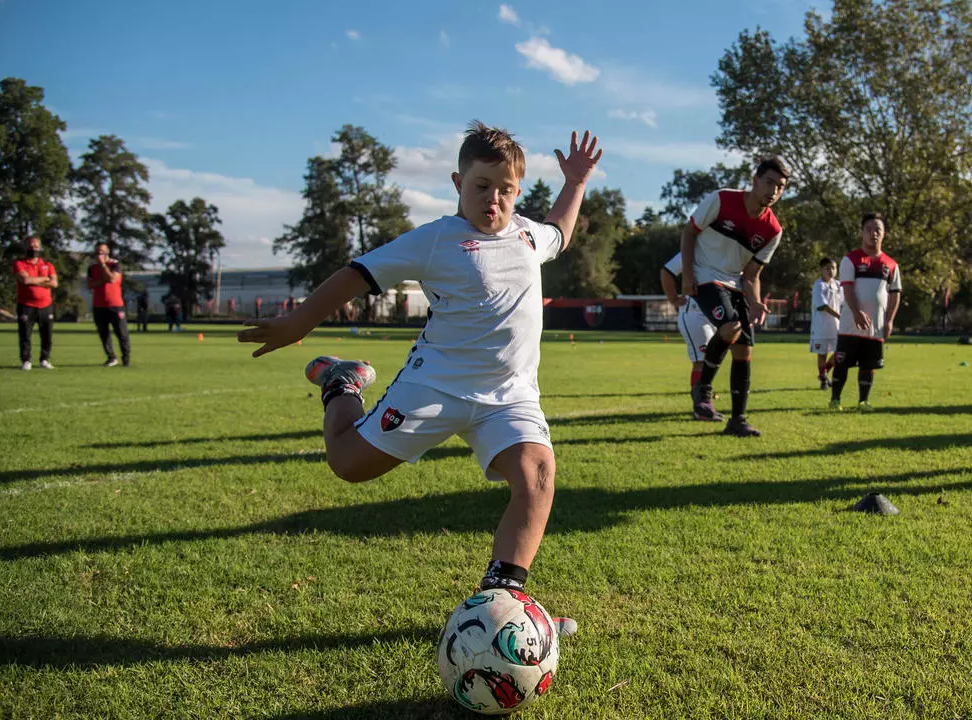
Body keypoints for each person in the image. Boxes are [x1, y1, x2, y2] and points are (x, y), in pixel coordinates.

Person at [238, 122, 601, 602]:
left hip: (509, 397)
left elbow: (560, 230)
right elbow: (357, 275)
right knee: (347, 464)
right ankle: (340, 384)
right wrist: (300, 323)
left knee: (537, 474)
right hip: (435, 388)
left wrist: (574, 183)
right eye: (481, 186)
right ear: (457, 184)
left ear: (518, 191)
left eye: (506, 190)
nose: (493, 199)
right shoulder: (435, 240)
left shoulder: (529, 237)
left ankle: (501, 604)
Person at [681, 157, 790, 437]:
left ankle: (737, 420)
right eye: (769, 183)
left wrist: (755, 302)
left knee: (744, 349)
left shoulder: (773, 230)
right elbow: (689, 233)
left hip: (734, 284)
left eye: (780, 187)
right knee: (730, 327)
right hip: (705, 276)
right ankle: (702, 388)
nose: (773, 191)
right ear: (754, 181)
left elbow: (751, 274)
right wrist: (687, 275)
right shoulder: (721, 200)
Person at [830, 213, 902, 411]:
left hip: (876, 325)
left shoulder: (891, 264)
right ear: (862, 233)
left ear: (884, 233)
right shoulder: (851, 259)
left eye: (878, 229)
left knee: (868, 365)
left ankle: (863, 401)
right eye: (869, 229)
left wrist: (889, 321)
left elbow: (895, 294)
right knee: (842, 362)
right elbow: (847, 289)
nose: (874, 233)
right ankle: (835, 399)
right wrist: (856, 312)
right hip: (849, 325)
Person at [659, 252, 718, 408]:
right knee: (701, 361)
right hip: (695, 313)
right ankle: (702, 407)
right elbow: (666, 272)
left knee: (711, 361)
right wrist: (673, 299)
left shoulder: (726, 248)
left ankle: (705, 399)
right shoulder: (694, 250)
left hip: (716, 315)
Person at [14, 234, 58, 370]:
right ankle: (26, 360)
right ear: (26, 247)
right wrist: (44, 279)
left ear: (40, 248)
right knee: (25, 335)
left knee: (47, 335)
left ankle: (44, 359)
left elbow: (54, 283)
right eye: (31, 246)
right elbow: (26, 281)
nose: (34, 248)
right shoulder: (19, 263)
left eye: (36, 246)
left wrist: (35, 280)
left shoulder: (47, 264)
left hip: (46, 305)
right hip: (26, 305)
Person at [87, 242, 131, 367]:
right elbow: (90, 285)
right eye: (97, 252)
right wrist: (103, 279)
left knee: (122, 333)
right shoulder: (92, 268)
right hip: (99, 305)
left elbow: (112, 279)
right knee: (104, 334)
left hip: (115, 305)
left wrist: (103, 266)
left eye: (101, 251)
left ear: (107, 252)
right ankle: (111, 357)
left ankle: (126, 359)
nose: (99, 254)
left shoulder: (115, 264)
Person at [810, 257, 843, 390]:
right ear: (821, 270)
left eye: (833, 268)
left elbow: (844, 303)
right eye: (827, 268)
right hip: (821, 327)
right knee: (822, 353)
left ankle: (824, 374)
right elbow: (823, 305)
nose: (831, 271)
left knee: (839, 353)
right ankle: (823, 380)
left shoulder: (838, 285)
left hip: (836, 326)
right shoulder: (819, 285)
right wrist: (839, 316)